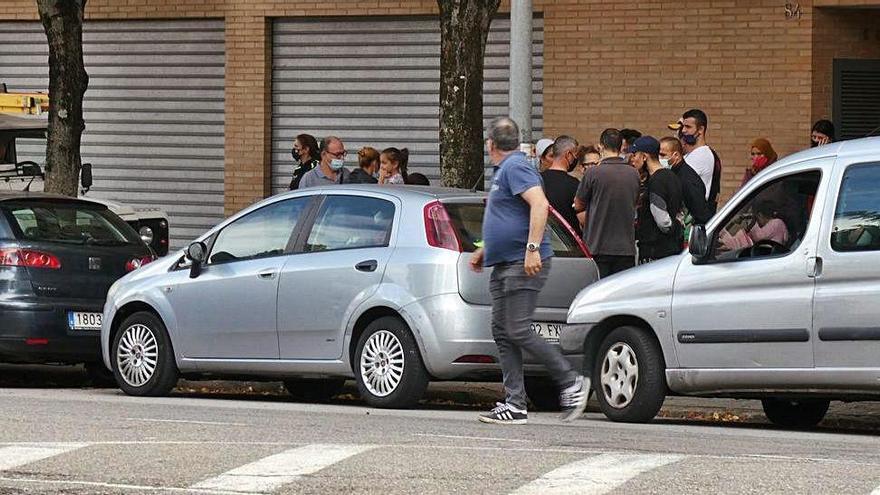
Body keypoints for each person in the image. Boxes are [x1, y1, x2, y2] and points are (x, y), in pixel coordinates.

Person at [470, 117, 588, 425]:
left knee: (517, 328)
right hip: (504, 261)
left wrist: (532, 248)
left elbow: (539, 205)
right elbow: (509, 214)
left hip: (522, 263)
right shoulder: (506, 170)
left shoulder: (515, 167)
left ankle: (571, 380)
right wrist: (486, 249)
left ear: (490, 144)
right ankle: (515, 404)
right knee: (503, 330)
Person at [574, 128, 640, 278]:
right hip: (626, 248)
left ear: (601, 146)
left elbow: (578, 204)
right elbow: (635, 203)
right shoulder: (633, 173)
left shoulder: (593, 173)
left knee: (598, 292)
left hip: (598, 245)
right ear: (621, 147)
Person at [630, 136, 683, 262]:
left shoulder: (657, 181)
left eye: (634, 154)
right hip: (670, 248)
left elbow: (663, 221)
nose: (632, 159)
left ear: (644, 157)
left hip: (655, 251)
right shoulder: (672, 176)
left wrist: (673, 227)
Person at [660, 137, 712, 227]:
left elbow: (700, 213)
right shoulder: (674, 174)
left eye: (663, 155)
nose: (659, 159)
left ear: (676, 155)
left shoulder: (687, 180)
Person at [677, 109, 721, 214]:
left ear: (701, 129)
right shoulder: (692, 154)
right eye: (683, 126)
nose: (683, 130)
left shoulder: (702, 154)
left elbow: (677, 182)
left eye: (688, 127)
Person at [541, 135, 582, 236]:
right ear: (568, 155)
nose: (575, 159)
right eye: (575, 155)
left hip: (542, 240)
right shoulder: (574, 184)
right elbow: (582, 217)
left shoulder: (537, 180)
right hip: (569, 244)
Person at [719, 200, 789, 252]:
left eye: (758, 219)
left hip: (773, 253)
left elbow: (757, 236)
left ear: (760, 215)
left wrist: (751, 223)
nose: (758, 223)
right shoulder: (778, 223)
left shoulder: (777, 223)